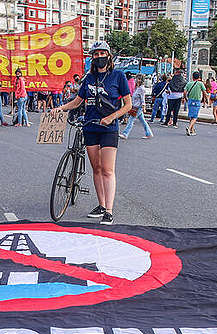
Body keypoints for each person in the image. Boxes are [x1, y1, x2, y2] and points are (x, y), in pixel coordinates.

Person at [51, 40, 131, 226]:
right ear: (92, 58)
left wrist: (111, 117)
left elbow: (128, 105)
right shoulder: (88, 79)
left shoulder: (118, 76)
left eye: (102, 53)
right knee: (96, 168)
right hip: (90, 127)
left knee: (108, 169)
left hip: (109, 129)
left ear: (108, 56)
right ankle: (101, 205)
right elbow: (78, 101)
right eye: (95, 54)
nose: (99, 57)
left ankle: (109, 211)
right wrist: (60, 109)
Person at [120, 74, 153, 139]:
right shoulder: (137, 88)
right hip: (135, 106)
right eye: (137, 78)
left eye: (139, 79)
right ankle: (148, 133)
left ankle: (125, 133)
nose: (137, 80)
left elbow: (142, 99)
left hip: (138, 107)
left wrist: (144, 107)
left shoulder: (141, 89)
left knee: (130, 120)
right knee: (143, 121)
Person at [184, 71, 207, 135]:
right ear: (199, 77)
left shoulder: (189, 83)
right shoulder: (200, 84)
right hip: (197, 101)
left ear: (192, 77)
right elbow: (204, 92)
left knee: (191, 116)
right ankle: (189, 128)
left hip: (190, 100)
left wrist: (186, 99)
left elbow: (184, 92)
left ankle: (192, 130)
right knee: (195, 117)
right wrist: (206, 99)